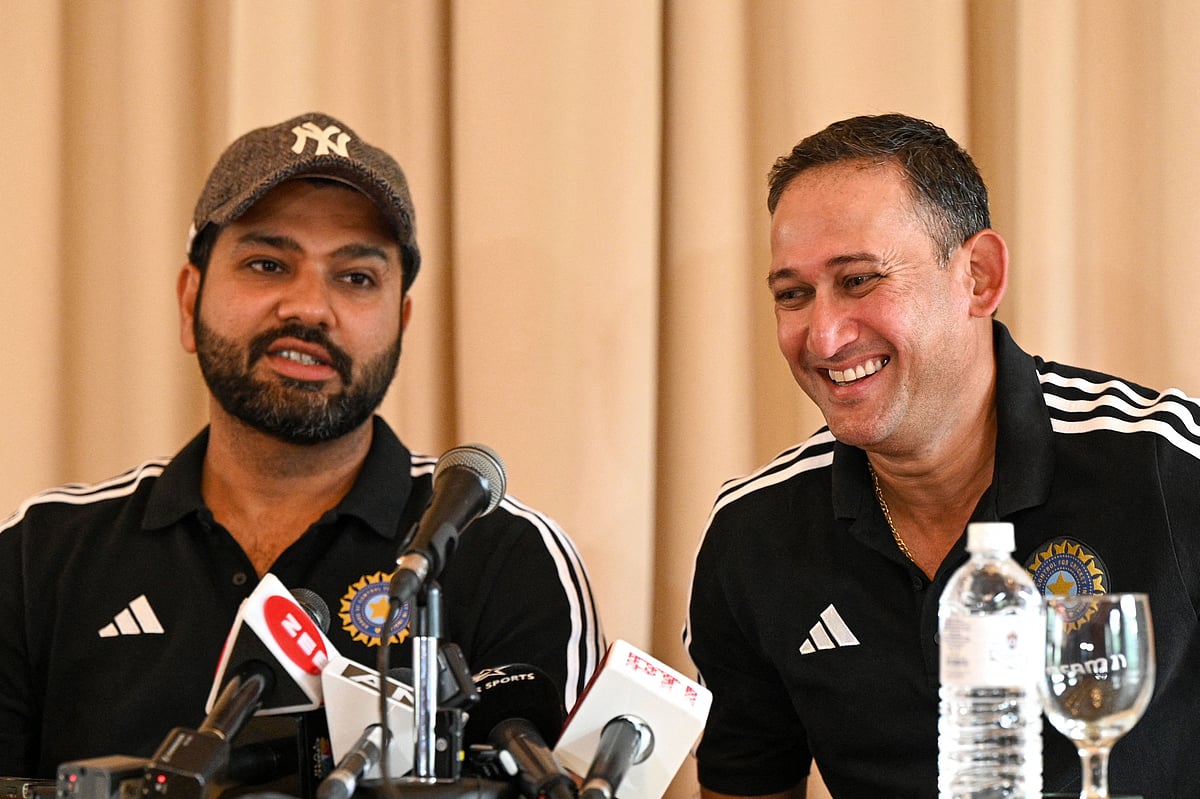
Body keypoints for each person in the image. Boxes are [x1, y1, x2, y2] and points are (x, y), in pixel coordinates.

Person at [0, 112, 603, 778]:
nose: (310, 307)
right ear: (189, 300)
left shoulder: (503, 553)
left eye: (356, 277)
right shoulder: (39, 555)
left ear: (401, 320)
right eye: (267, 263)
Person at [684, 113, 1200, 798]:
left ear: (979, 276)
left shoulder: (1163, 465)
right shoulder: (754, 534)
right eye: (793, 294)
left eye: (860, 280)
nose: (825, 335)